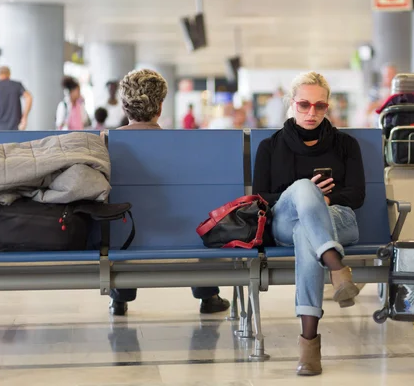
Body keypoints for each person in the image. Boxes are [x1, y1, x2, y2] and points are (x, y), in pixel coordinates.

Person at [252, 71, 365, 376]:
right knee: (304, 188)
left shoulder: (346, 145)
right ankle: (336, 267)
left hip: (340, 220)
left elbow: (357, 195)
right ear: (291, 103)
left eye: (319, 106)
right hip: (283, 223)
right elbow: (261, 197)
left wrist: (323, 200)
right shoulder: (270, 147)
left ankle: (309, 345)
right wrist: (306, 195)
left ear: (328, 106)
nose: (311, 112)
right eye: (304, 104)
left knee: (308, 230)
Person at [108, 68, 230, 316]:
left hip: (124, 232)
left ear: (124, 106)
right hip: (182, 230)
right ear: (160, 107)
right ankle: (208, 295)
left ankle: (120, 298)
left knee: (120, 220)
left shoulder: (106, 143)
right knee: (200, 215)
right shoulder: (184, 146)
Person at [0, 66, 33, 130]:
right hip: (15, 127)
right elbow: (28, 97)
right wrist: (24, 118)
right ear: (9, 74)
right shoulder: (17, 85)